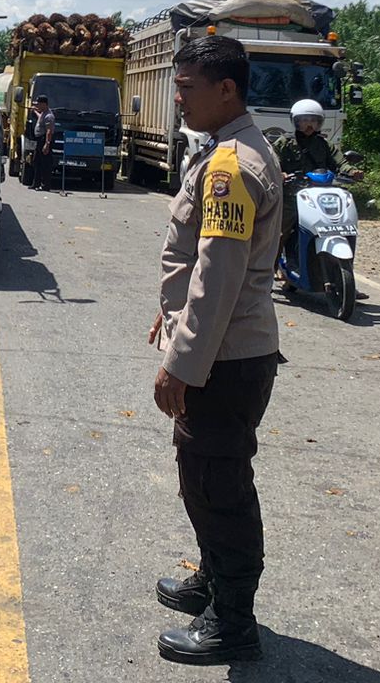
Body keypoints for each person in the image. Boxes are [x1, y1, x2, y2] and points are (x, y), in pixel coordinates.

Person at [148, 35, 283, 665]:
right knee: (203, 477)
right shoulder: (223, 153)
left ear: (225, 89)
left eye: (186, 87)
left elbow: (220, 272)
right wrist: (170, 312)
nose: (177, 97)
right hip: (221, 347)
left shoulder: (231, 167)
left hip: (224, 358)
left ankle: (234, 622)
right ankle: (213, 579)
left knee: (217, 483)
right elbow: (199, 267)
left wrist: (181, 362)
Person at [272, 99, 362, 270]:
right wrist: (280, 174)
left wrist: (352, 172)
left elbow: (340, 162)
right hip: (292, 195)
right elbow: (273, 162)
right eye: (305, 120)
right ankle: (267, 275)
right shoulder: (284, 143)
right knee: (279, 233)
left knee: (342, 228)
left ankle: (344, 273)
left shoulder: (324, 144)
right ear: (296, 121)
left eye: (313, 121)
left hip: (319, 196)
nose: (309, 125)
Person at [28, 95, 57, 191]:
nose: (37, 106)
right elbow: (40, 118)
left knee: (45, 164)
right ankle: (36, 183)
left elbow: (49, 131)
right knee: (37, 162)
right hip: (40, 140)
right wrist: (35, 111)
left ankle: (45, 185)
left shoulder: (49, 116)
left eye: (39, 104)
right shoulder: (44, 114)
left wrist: (47, 144)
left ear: (44, 104)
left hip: (44, 140)